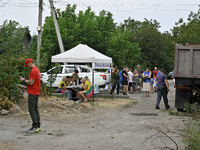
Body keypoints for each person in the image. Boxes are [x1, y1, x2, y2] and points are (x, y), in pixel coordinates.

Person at [19, 58, 41, 133]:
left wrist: (23, 80)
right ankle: (38, 126)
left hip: (33, 92)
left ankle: (35, 126)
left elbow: (31, 82)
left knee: (31, 109)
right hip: (36, 92)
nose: (27, 67)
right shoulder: (37, 70)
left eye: (27, 65)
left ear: (30, 63)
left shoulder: (33, 71)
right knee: (35, 109)